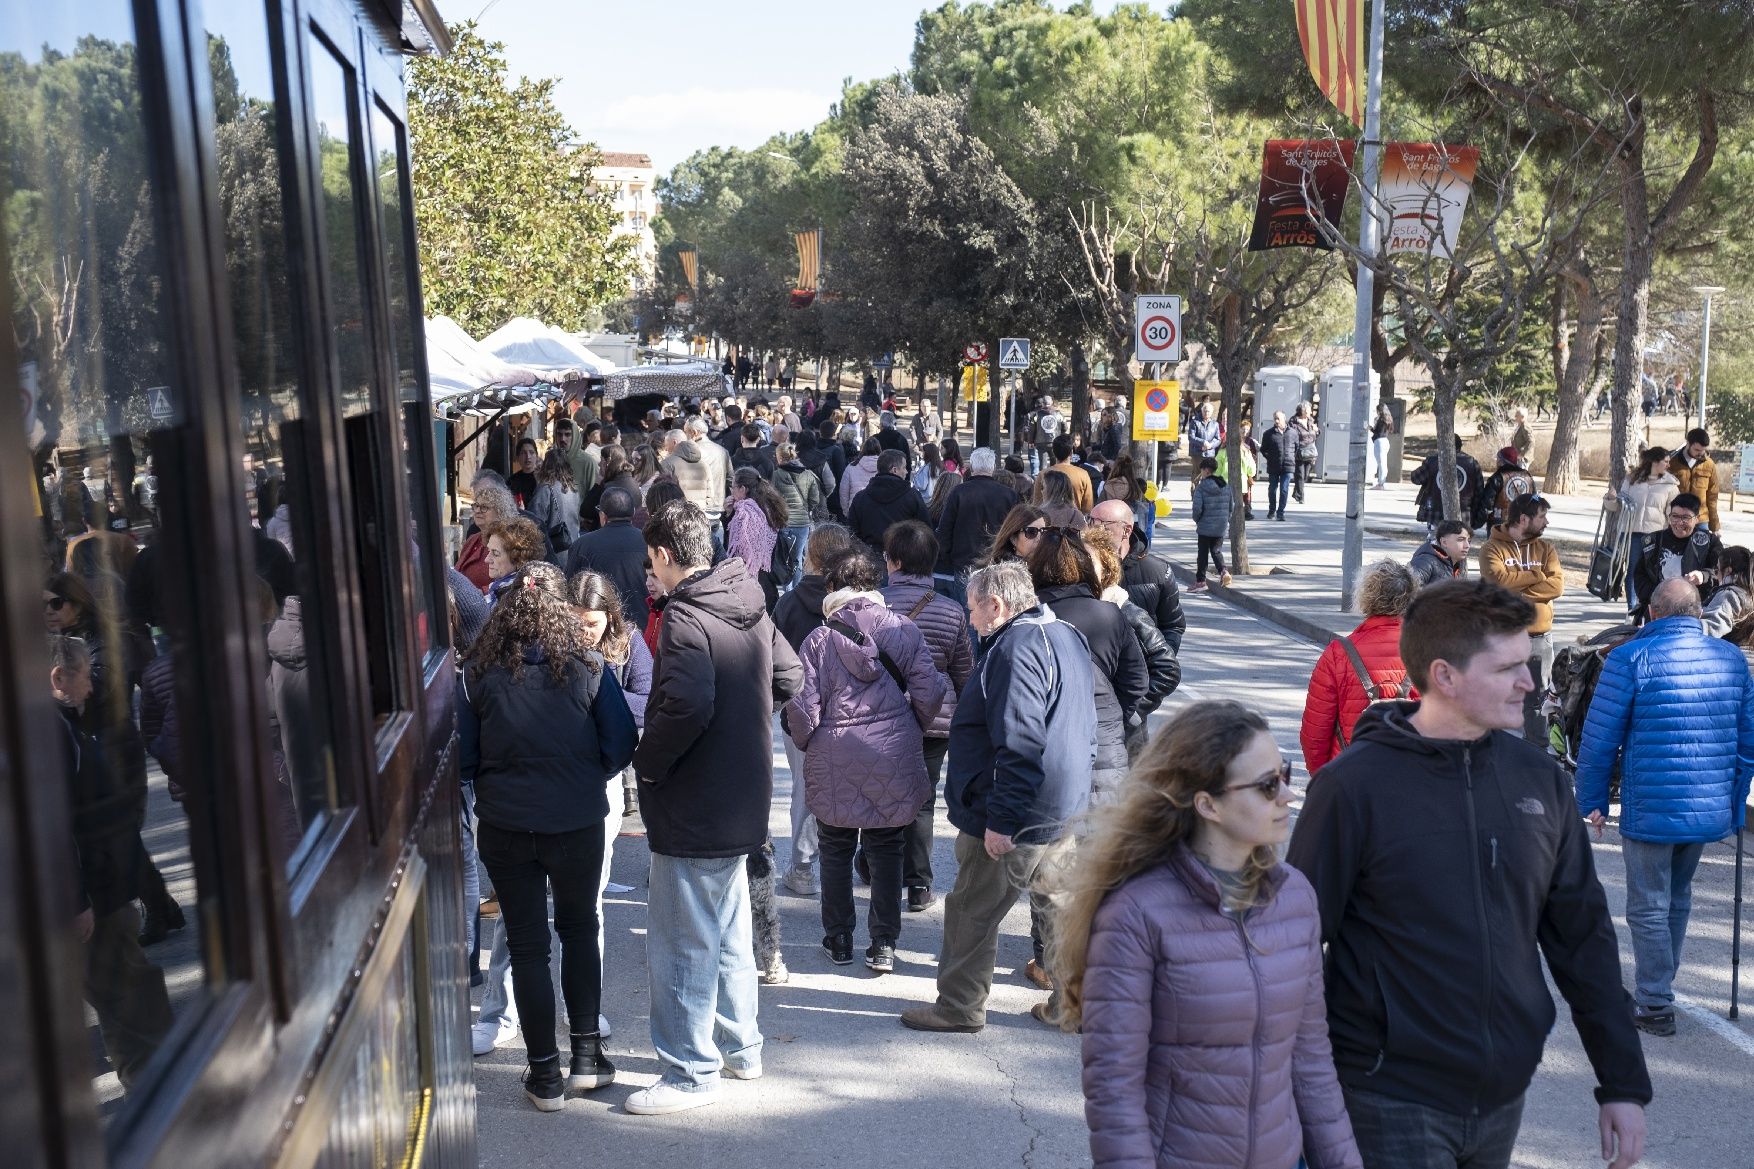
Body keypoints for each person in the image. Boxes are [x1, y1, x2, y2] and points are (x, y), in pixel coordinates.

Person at [1287, 579, 1651, 1169]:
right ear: (1446, 676)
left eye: (1527, 664)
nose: (1529, 684)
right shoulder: (1353, 787)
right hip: (1384, 1094)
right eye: (1508, 668)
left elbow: (1583, 940)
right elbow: (1293, 942)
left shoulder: (1540, 781)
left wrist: (1623, 1084)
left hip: (1502, 1094)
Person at [1051, 700, 1363, 1169]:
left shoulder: (1295, 898)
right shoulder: (1137, 914)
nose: (1287, 796)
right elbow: (1115, 1090)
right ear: (1207, 804)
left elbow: (1312, 1064)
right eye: (1266, 785)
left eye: (1285, 774)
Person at [629, 501, 802, 1114]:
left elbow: (687, 706)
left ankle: (688, 1071)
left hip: (696, 804)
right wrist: (743, 717)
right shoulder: (747, 600)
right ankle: (739, 1047)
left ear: (666, 556)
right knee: (726, 931)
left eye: (651, 561)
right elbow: (789, 677)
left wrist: (647, 763)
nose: (651, 572)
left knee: (683, 940)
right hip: (743, 794)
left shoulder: (685, 617)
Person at [458, 562, 638, 1111]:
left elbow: (464, 758)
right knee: (580, 930)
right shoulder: (588, 663)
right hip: (576, 820)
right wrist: (589, 775)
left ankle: (543, 1075)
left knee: (528, 944)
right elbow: (623, 739)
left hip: (507, 828)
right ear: (560, 610)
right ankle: (586, 1056)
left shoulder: (480, 671)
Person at [900, 561, 1096, 1034]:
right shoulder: (1065, 634)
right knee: (1057, 909)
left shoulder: (1016, 649)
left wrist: (1002, 820)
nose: (969, 619)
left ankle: (959, 1006)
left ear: (997, 605)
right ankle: (1073, 1005)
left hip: (1019, 810)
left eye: (973, 609)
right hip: (1062, 804)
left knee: (972, 909)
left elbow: (1021, 740)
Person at [1575, 576, 1754, 1037]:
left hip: (1653, 803)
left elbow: (1599, 740)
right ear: (1697, 614)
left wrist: (1592, 801)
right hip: (1707, 805)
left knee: (1649, 905)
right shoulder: (1732, 658)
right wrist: (1734, 804)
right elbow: (1747, 743)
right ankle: (1661, 984)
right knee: (1678, 896)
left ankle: (1655, 1002)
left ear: (1652, 613)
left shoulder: (1631, 657)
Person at [786, 549, 947, 972]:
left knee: (835, 848)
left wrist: (807, 743)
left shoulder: (819, 640)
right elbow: (931, 692)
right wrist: (911, 725)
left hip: (834, 752)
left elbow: (804, 709)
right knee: (887, 849)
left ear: (833, 589)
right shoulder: (904, 629)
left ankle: (838, 938)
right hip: (891, 752)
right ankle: (883, 944)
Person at [52, 632, 175, 1092]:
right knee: (128, 992)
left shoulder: (64, 724)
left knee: (127, 990)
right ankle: (160, 1089)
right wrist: (75, 899)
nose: (91, 685)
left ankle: (157, 1083)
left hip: (100, 883)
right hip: (93, 892)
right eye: (85, 675)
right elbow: (55, 822)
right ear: (58, 677)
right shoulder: (52, 730)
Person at [882, 522, 975, 913]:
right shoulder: (953, 611)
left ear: (896, 561)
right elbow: (964, 673)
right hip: (935, 719)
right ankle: (918, 885)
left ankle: (874, 868)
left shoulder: (874, 606)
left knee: (881, 794)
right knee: (922, 799)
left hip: (880, 718)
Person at [1027, 527, 1147, 806]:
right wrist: (1110, 716)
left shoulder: (1029, 616)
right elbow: (1137, 682)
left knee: (1048, 840)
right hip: (1104, 743)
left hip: (1047, 742)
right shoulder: (1109, 614)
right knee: (1100, 842)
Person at [772, 524, 858, 896]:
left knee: (805, 789)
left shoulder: (788, 603)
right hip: (848, 709)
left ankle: (802, 868)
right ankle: (844, 859)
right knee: (848, 786)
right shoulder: (857, 603)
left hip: (798, 711)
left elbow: (774, 660)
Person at [1299, 560, 1417, 776]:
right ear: (1411, 597)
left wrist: (1323, 780)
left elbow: (1315, 731)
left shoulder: (1338, 653)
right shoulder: (1428, 652)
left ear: (1365, 597)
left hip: (1350, 776)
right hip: (1414, 776)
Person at [1082, 526, 1180, 757]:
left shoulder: (1126, 611)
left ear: (1106, 567)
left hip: (1125, 741)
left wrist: (1131, 712)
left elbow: (1168, 669)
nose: (1081, 567)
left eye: (1089, 562)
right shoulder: (1079, 605)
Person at [1479, 493, 1562, 740]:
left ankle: (1537, 753)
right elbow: (1498, 582)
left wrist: (1517, 590)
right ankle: (1499, 753)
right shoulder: (1491, 548)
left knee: (1538, 701)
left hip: (1539, 639)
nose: (1546, 522)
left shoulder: (1546, 548)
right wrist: (1538, 575)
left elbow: (1556, 586)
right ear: (1523, 519)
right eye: (1542, 516)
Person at [1089, 500, 1185, 654]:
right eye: (1091, 521)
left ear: (1126, 530)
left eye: (1103, 524)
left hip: (1141, 670)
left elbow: (1173, 626)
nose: (1094, 529)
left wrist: (1160, 663)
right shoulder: (1080, 568)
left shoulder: (1159, 572)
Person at [934, 448, 1021, 598]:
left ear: (972, 467)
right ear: (993, 467)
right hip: (997, 562)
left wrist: (948, 557)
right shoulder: (1009, 495)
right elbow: (1016, 532)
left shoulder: (959, 492)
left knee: (969, 612)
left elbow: (945, 530)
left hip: (964, 563)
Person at [564, 485, 650, 631]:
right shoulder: (649, 543)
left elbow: (569, 591)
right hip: (643, 628)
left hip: (598, 631)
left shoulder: (582, 545)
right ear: (633, 513)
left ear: (603, 516)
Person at [1629, 492, 1721, 623]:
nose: (1679, 523)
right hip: (1659, 612)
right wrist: (1660, 597)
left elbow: (1721, 574)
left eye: (1686, 518)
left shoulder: (1710, 542)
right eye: (1675, 516)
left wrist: (1704, 575)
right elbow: (1640, 577)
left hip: (1696, 613)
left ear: (1697, 518)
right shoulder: (1653, 541)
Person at [1608, 446, 1679, 614]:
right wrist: (1610, 499)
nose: (1668, 465)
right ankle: (1632, 609)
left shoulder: (1670, 484)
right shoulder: (1632, 479)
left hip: (1655, 535)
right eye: (1666, 462)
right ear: (1655, 462)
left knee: (1653, 572)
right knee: (1632, 569)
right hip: (1632, 532)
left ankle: (1650, 608)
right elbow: (1620, 504)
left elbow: (1673, 512)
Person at [849, 449, 932, 562]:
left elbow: (852, 532)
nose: (907, 472)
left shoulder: (860, 498)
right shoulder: (912, 496)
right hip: (904, 561)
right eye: (904, 467)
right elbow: (925, 530)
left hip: (870, 561)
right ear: (894, 470)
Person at [661, 417, 732, 545]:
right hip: (717, 507)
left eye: (686, 432)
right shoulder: (722, 451)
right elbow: (730, 479)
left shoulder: (690, 453)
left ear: (693, 432)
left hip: (695, 509)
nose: (685, 436)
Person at [726, 467, 787, 610]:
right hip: (769, 582)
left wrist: (730, 516)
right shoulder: (768, 506)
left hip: (750, 584)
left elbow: (737, 551)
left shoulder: (745, 513)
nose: (731, 491)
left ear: (743, 489)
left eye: (733, 487)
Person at [770, 442, 821, 586]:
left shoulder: (777, 475)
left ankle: (787, 589)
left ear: (779, 457)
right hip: (802, 523)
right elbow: (814, 499)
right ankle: (797, 589)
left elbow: (772, 499)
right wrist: (805, 509)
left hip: (783, 522)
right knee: (798, 558)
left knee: (784, 558)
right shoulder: (808, 474)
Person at [1411, 436, 1484, 529]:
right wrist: (1474, 510)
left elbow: (1415, 478)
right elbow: (1480, 490)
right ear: (1460, 446)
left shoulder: (1432, 461)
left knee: (1436, 541)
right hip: (1464, 513)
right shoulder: (1472, 462)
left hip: (1435, 513)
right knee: (1460, 540)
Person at [457, 480, 518, 591]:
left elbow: (508, 583)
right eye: (476, 506)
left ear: (500, 512)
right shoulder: (473, 539)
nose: (478, 511)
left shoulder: (507, 542)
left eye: (484, 507)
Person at [482, 517, 548, 605]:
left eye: (495, 553)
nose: (487, 560)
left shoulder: (516, 598)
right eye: (489, 551)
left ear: (518, 558)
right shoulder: (501, 588)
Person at [1188, 457, 1230, 592]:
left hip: (1205, 526)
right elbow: (1232, 506)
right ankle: (1223, 571)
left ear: (1206, 470)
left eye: (1202, 469)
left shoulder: (1201, 487)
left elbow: (1197, 509)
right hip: (1221, 525)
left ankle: (1201, 581)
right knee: (1216, 550)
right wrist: (1225, 519)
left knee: (1203, 554)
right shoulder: (1225, 485)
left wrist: (1197, 520)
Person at [528, 449, 582, 549]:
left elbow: (534, 522)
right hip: (573, 545)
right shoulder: (574, 489)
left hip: (553, 549)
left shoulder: (545, 489)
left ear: (546, 465)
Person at [1669, 428, 1720, 532]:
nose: (1700, 453)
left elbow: (1712, 497)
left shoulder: (1709, 465)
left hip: (1701, 520)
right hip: (1677, 518)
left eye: (1703, 450)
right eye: (1697, 450)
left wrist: (1715, 527)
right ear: (1688, 444)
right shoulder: (1672, 462)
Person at [1474, 446, 1536, 532]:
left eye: (1498, 459)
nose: (1497, 461)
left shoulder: (1497, 477)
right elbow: (1535, 501)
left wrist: (1477, 523)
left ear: (1502, 461)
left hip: (1499, 523)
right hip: (1523, 522)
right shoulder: (1528, 477)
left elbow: (1487, 504)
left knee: (1497, 546)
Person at [1702, 545, 1754, 638]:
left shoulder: (1729, 595)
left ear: (1728, 570)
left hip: (1722, 648)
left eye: (1717, 570)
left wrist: (1690, 632)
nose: (1716, 576)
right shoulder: (1748, 593)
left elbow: (1712, 626)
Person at [980, 503, 1050, 568]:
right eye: (1031, 532)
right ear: (1013, 538)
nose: (1039, 538)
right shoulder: (999, 575)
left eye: (1043, 532)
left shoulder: (1048, 570)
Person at [1408, 519, 1471, 586]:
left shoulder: (1455, 565)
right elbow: (1408, 589)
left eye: (1468, 541)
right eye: (1461, 540)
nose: (1467, 546)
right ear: (1444, 542)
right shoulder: (1425, 561)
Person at [1044, 434, 1095, 513]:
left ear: (1053, 452)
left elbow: (1036, 505)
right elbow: (1088, 508)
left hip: (1048, 521)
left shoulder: (1043, 474)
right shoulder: (1083, 474)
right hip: (1075, 522)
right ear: (1071, 453)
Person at [554, 415, 599, 502]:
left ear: (575, 436)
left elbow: (593, 497)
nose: (562, 439)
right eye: (559, 434)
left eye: (567, 434)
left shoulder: (588, 462)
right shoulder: (552, 460)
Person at [1259, 409, 1295, 519]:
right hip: (1274, 465)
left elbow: (1296, 448)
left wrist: (1291, 458)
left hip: (1288, 466)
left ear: (1284, 418)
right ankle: (1272, 509)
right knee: (1272, 489)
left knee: (1284, 489)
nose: (1276, 421)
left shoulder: (1293, 433)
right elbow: (1263, 449)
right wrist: (1270, 458)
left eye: (1278, 418)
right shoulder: (1268, 434)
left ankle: (1281, 512)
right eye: (1275, 418)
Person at [839, 436, 882, 515]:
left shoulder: (851, 467)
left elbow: (843, 492)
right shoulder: (884, 468)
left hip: (856, 510)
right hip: (879, 511)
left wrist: (846, 512)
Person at [1289, 402, 1320, 504]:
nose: (1309, 412)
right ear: (1302, 411)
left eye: (1310, 410)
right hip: (1299, 452)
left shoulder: (1310, 421)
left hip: (1310, 451)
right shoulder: (1293, 422)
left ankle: (1296, 492)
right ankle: (1301, 497)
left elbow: (1316, 434)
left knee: (1305, 475)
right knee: (1300, 475)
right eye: (1307, 410)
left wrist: (1317, 430)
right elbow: (1291, 436)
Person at [1029, 395, 1066, 474]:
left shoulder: (1037, 415)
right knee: (1055, 463)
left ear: (1043, 403)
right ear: (1052, 403)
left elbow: (1032, 429)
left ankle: (1042, 481)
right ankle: (1054, 480)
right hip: (1055, 442)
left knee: (1042, 465)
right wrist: (1061, 436)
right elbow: (1065, 427)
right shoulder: (1058, 414)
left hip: (1040, 442)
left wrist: (1031, 441)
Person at [1187, 401, 1221, 471]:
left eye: (1208, 411)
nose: (1206, 413)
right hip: (1197, 453)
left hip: (1210, 453)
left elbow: (1218, 439)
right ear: (1202, 411)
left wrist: (1210, 445)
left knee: (1208, 474)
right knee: (1197, 474)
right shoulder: (1195, 422)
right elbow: (1191, 437)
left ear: (1211, 412)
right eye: (1205, 411)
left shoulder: (1215, 424)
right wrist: (1203, 443)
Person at [506, 436, 541, 506]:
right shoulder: (512, 481)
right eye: (523, 453)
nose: (528, 457)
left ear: (536, 456)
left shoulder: (542, 479)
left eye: (531, 452)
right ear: (518, 457)